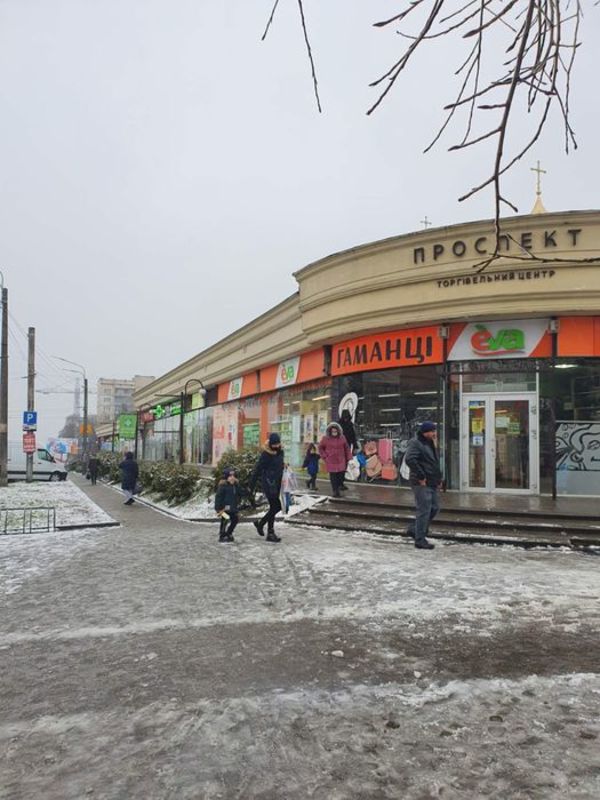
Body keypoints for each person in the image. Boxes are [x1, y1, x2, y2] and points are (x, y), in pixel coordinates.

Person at [404, 421, 442, 550]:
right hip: (421, 482)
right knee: (424, 510)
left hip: (431, 481)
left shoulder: (430, 443)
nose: (435, 433)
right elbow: (410, 459)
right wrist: (421, 476)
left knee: (434, 508)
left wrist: (438, 479)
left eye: (435, 431)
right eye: (432, 431)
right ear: (426, 432)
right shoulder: (416, 443)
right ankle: (420, 539)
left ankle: (414, 529)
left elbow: (434, 463)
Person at [250, 432, 285, 543]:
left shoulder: (281, 452)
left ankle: (265, 528)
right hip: (269, 484)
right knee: (276, 507)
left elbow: (279, 464)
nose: (276, 446)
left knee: (274, 507)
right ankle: (266, 528)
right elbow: (258, 469)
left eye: (278, 444)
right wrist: (251, 485)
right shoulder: (266, 454)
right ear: (270, 444)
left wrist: (284, 466)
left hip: (278, 483)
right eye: (274, 444)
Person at [319, 422, 351, 498]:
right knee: (333, 477)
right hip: (331, 460)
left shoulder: (342, 438)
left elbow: (346, 448)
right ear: (330, 431)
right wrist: (325, 456)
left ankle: (339, 486)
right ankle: (335, 491)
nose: (334, 433)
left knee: (341, 476)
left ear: (338, 431)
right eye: (333, 431)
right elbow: (320, 448)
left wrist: (349, 457)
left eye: (335, 431)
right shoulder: (325, 439)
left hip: (341, 460)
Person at [214, 468, 241, 543]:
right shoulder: (223, 486)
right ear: (226, 478)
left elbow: (240, 493)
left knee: (235, 519)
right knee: (225, 519)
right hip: (224, 508)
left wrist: (247, 492)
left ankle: (229, 533)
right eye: (230, 476)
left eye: (233, 476)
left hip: (232, 508)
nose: (232, 478)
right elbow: (218, 497)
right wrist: (218, 508)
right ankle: (222, 535)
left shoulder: (235, 486)